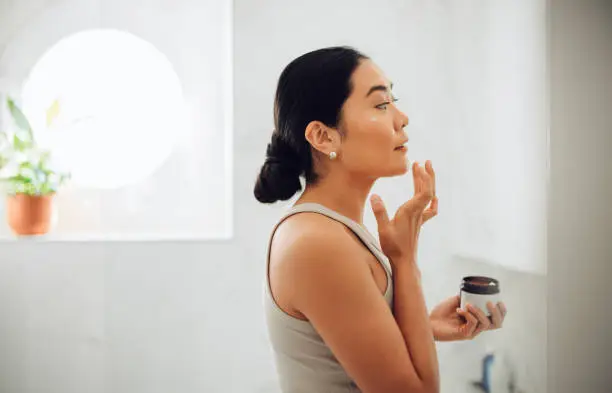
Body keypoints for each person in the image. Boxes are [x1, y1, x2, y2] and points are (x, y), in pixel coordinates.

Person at [254, 46, 507, 393]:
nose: (402, 118)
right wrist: (403, 261)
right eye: (381, 104)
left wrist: (423, 324)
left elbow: (337, 345)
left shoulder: (330, 229)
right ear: (324, 136)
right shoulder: (319, 243)